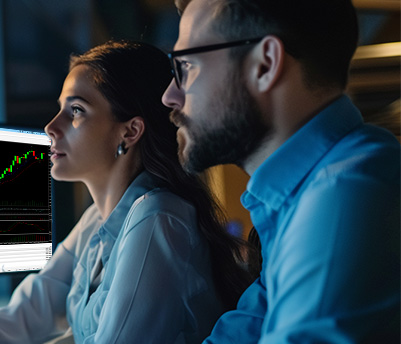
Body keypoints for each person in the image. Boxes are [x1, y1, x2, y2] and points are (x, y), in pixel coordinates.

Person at [0, 40, 253, 344]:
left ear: (129, 132)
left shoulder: (157, 218)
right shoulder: (98, 220)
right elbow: (33, 308)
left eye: (75, 111)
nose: (50, 127)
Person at [161, 0, 400, 342]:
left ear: (265, 65)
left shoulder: (345, 193)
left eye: (184, 65)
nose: (170, 96)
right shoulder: (292, 198)